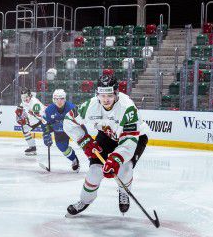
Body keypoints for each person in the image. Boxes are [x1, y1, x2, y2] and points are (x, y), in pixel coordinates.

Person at [63, 74, 150, 216]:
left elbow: (128, 141)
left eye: (109, 95)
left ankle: (123, 191)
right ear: (97, 94)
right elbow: (68, 121)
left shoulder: (127, 108)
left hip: (135, 137)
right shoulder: (90, 105)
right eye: (102, 95)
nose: (106, 99)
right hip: (107, 135)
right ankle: (84, 200)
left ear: (116, 92)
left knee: (125, 168)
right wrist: (84, 141)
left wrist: (116, 159)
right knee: (94, 171)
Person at [42, 89, 80, 171]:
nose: (59, 101)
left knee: (85, 145)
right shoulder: (49, 110)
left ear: (65, 99)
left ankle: (94, 162)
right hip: (59, 131)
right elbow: (45, 122)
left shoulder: (72, 108)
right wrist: (46, 134)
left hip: (73, 129)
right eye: (56, 99)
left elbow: (79, 121)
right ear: (53, 99)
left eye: (62, 99)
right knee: (62, 147)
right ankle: (74, 159)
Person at [15, 88, 44, 156]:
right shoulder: (25, 99)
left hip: (40, 119)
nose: (24, 99)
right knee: (25, 129)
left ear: (30, 95)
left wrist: (27, 120)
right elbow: (22, 105)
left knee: (25, 128)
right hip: (35, 118)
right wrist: (19, 109)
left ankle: (33, 148)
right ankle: (32, 147)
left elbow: (40, 117)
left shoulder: (35, 103)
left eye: (25, 97)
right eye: (23, 97)